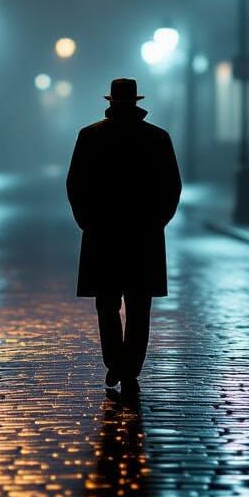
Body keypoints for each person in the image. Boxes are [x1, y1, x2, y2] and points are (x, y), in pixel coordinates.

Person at [66, 77, 182, 394]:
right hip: (143, 235)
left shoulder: (89, 137)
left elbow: (75, 185)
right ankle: (129, 367)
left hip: (102, 234)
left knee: (107, 303)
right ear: (136, 103)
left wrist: (87, 222)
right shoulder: (158, 138)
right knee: (139, 304)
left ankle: (115, 362)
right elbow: (172, 187)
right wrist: (158, 220)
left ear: (110, 102)